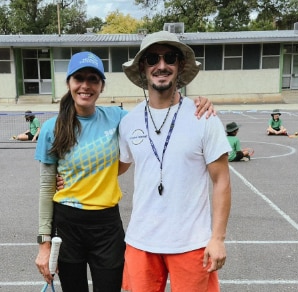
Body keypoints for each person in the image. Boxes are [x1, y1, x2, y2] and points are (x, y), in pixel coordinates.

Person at [34, 51, 215, 292]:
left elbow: (154, 116)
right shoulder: (51, 128)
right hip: (67, 224)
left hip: (107, 226)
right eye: (79, 78)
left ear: (101, 86)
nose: (85, 86)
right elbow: (47, 187)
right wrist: (44, 245)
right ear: (69, 83)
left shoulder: (118, 118)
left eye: (93, 79)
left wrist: (199, 103)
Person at [118, 30, 232, 292]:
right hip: (141, 242)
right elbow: (117, 167)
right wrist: (71, 174)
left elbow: (222, 180)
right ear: (142, 68)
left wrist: (218, 238)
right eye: (152, 59)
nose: (161, 66)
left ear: (180, 66)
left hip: (191, 243)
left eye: (169, 58)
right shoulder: (128, 121)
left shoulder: (204, 117)